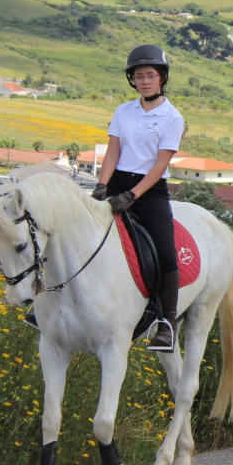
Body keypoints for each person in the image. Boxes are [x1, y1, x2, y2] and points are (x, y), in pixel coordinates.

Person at [95, 44, 186, 352]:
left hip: (148, 189)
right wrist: (101, 185)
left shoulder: (172, 117)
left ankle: (167, 322)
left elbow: (160, 165)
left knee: (165, 251)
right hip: (116, 181)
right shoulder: (123, 110)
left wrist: (131, 195)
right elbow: (113, 152)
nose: (144, 81)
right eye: (138, 76)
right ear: (131, 80)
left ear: (162, 78)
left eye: (150, 75)